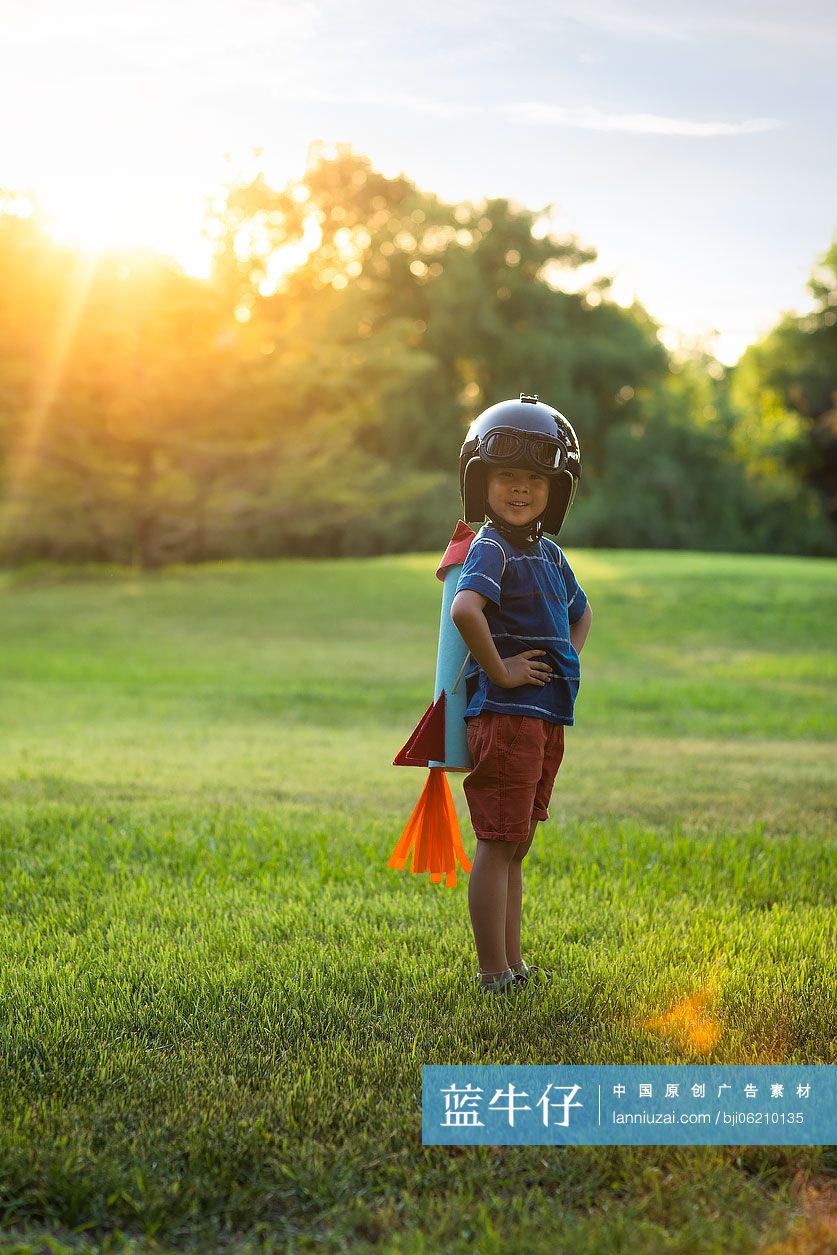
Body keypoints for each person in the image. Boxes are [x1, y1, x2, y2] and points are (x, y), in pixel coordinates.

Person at [450, 394, 592, 994]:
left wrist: (563, 662)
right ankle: (492, 972)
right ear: (480, 481)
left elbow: (582, 615)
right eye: (506, 474)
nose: (519, 488)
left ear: (555, 491)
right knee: (497, 841)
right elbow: (465, 609)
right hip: (505, 716)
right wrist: (503, 672)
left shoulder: (550, 553)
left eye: (535, 478)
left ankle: (513, 965)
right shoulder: (491, 547)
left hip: (541, 716)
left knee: (517, 843)